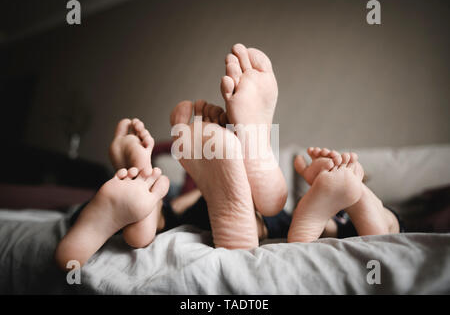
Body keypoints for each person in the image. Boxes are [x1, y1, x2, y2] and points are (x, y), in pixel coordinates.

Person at [55, 43, 402, 270]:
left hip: (188, 208)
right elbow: (388, 230)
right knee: (368, 223)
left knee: (167, 211)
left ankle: (137, 190)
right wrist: (335, 188)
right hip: (282, 219)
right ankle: (333, 211)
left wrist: (327, 184)